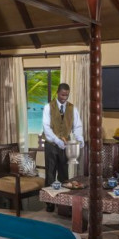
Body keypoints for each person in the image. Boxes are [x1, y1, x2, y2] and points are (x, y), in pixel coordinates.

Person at [42, 83, 84, 212]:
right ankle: (50, 203)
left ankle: (63, 204)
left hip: (65, 146)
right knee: (50, 174)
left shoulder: (72, 108)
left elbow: (77, 126)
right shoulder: (48, 107)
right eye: (62, 95)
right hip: (51, 144)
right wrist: (57, 140)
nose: (64, 97)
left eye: (67, 95)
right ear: (57, 93)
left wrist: (80, 139)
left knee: (64, 174)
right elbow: (46, 128)